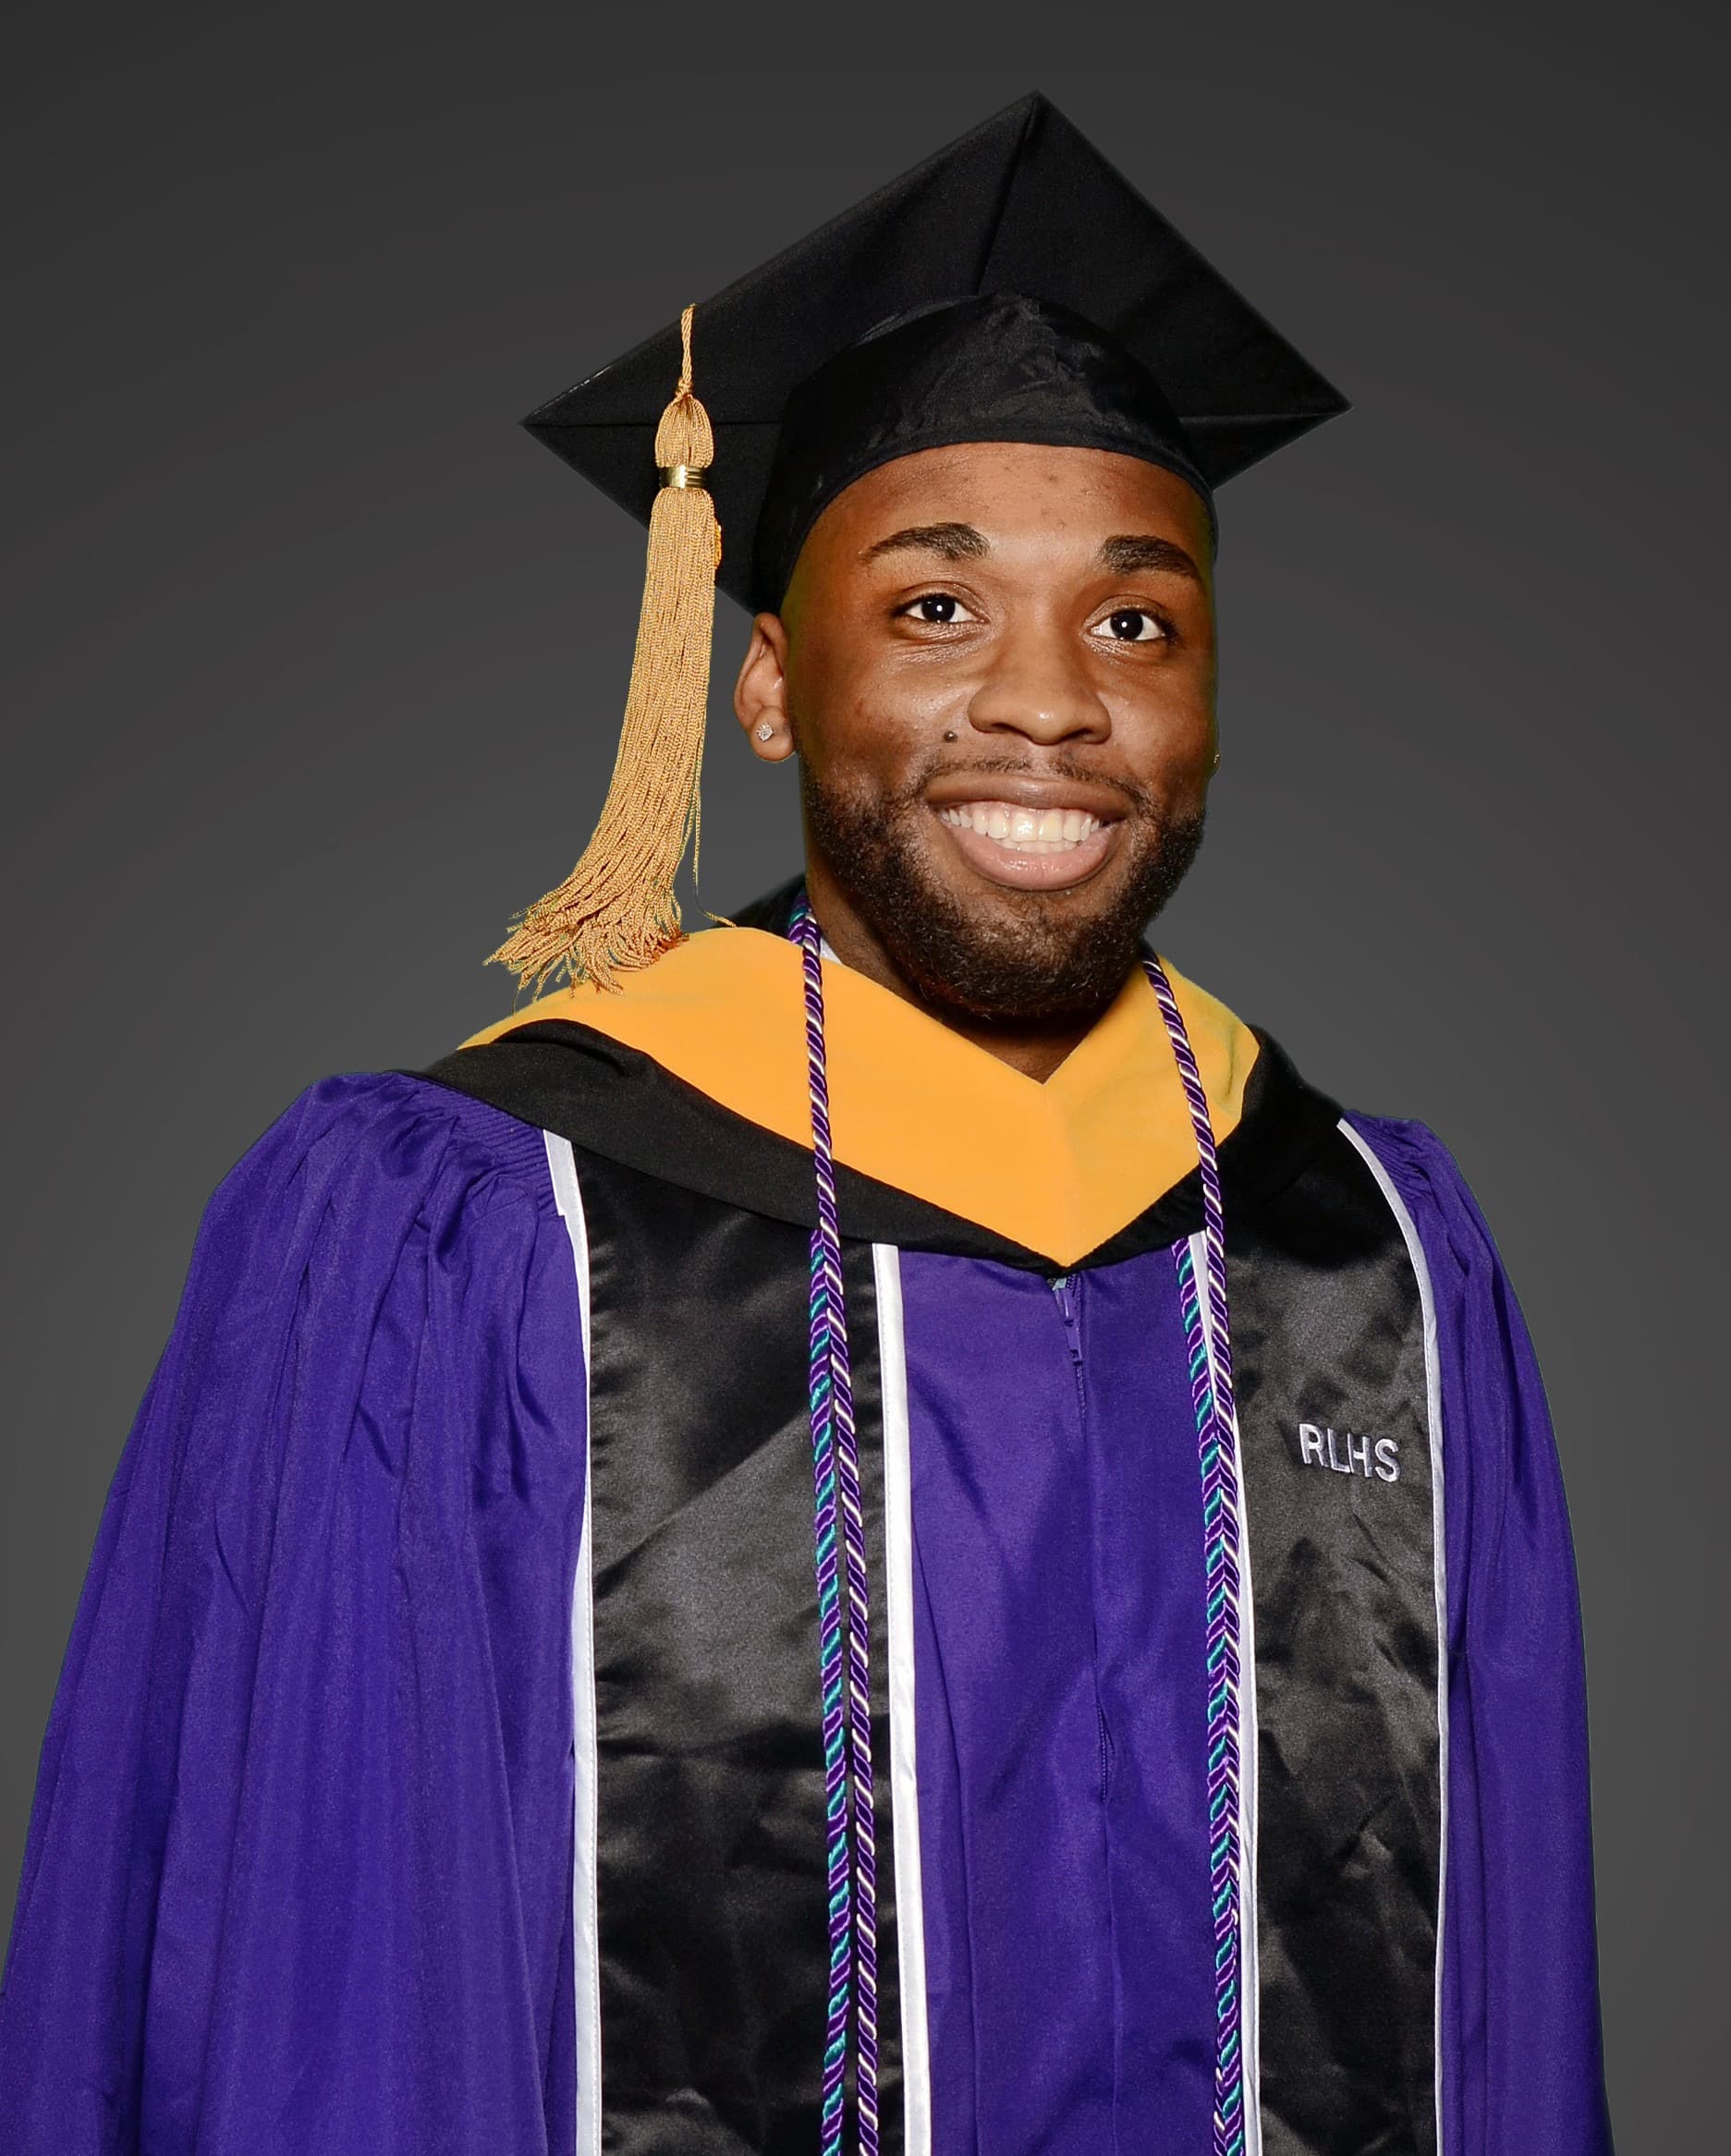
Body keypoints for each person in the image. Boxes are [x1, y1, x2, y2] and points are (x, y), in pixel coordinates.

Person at [0, 93, 1613, 2156]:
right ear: (764, 684)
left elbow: (1499, 2023)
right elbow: (317, 2006)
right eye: (935, 608)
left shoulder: (1372, 1246)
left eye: (1136, 620)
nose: (1049, 701)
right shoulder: (479, 1230)